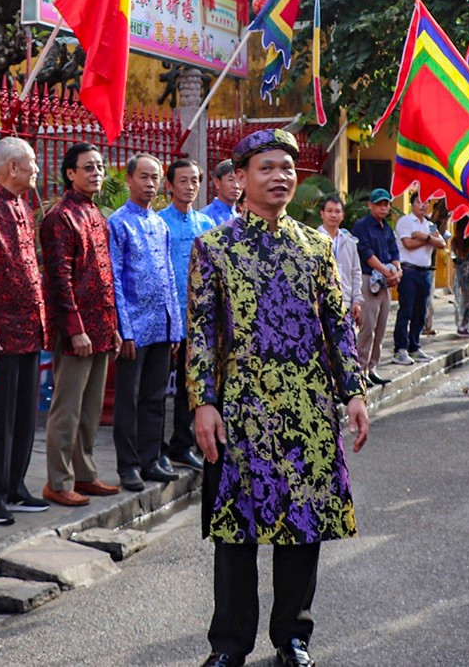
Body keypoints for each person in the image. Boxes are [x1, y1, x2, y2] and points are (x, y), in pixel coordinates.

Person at [187, 128, 369, 667]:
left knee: (303, 526)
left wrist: (354, 393)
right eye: (266, 168)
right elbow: (200, 332)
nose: (280, 176)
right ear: (240, 179)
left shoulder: (316, 245)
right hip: (240, 407)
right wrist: (204, 402)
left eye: (287, 168)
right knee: (235, 529)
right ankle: (229, 644)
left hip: (307, 405)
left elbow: (338, 325)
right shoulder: (214, 247)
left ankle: (293, 636)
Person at [0, 137, 51, 524]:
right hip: (1, 329)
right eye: (31, 162)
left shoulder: (21, 204)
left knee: (23, 415)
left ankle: (15, 485)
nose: (37, 169)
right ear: (12, 168)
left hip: (29, 328)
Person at [40, 143, 121, 507]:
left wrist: (113, 325)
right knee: (68, 409)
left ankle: (85, 474)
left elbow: (106, 276)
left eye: (100, 167)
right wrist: (75, 329)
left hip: (101, 326)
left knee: (90, 409)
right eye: (88, 167)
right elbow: (59, 279)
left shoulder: (96, 215)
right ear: (70, 173)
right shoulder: (61, 217)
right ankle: (58, 481)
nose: (97, 173)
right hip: (78, 330)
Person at [107, 154, 184, 492]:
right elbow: (115, 280)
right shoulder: (118, 223)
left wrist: (176, 326)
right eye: (143, 177)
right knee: (129, 399)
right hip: (134, 329)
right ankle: (128, 466)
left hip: (162, 325)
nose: (150, 184)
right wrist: (124, 328)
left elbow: (168, 276)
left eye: (155, 178)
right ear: (129, 179)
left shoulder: (160, 224)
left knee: (155, 398)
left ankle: (151, 459)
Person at [160, 158, 214, 471]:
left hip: (198, 320)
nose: (190, 186)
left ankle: (183, 444)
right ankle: (156, 448)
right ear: (170, 185)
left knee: (189, 386)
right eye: (183, 180)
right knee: (155, 391)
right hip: (167, 319)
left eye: (194, 180)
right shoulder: (160, 222)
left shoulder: (205, 225)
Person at [350, 189, 400, 384]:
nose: (383, 207)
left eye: (386, 204)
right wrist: (388, 272)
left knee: (381, 328)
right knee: (367, 327)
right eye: (379, 204)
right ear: (370, 205)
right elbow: (366, 253)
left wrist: (398, 271)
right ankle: (360, 369)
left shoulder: (386, 228)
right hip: (368, 279)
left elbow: (395, 252)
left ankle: (373, 367)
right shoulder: (362, 226)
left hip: (386, 282)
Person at [392, 192, 444, 362]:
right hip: (408, 271)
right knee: (406, 310)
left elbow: (442, 243)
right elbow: (408, 244)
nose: (422, 205)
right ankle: (400, 348)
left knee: (421, 312)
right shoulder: (405, 221)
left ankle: (414, 346)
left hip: (425, 272)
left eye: (426, 202)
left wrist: (424, 236)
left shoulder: (429, 225)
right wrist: (430, 240)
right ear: (412, 204)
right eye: (418, 201)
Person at [318, 195, 363, 342]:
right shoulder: (312, 240)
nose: (333, 215)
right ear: (322, 214)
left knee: (346, 345)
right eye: (329, 211)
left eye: (337, 211)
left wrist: (357, 299)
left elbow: (356, 272)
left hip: (345, 303)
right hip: (321, 304)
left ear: (343, 215)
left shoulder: (349, 242)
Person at [204, 159, 241, 226]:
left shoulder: (239, 218)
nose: (236, 186)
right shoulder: (204, 217)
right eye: (230, 180)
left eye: (239, 180)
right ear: (217, 182)